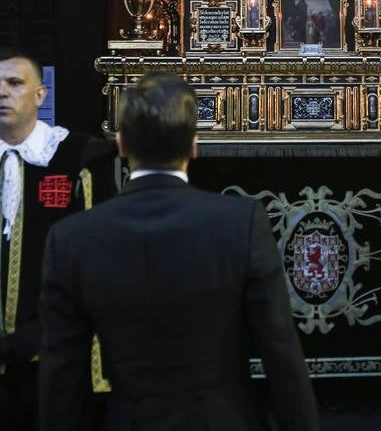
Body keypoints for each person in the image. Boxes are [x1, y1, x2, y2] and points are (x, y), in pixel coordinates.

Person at [38, 72, 320, 431]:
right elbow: (281, 353)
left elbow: (61, 376)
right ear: (194, 145)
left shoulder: (71, 238)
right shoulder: (240, 223)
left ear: (121, 144)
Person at [0, 47, 117, 431]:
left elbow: (97, 264)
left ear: (40, 94)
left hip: (52, 355)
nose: (3, 93)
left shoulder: (77, 159)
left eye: (15, 83)